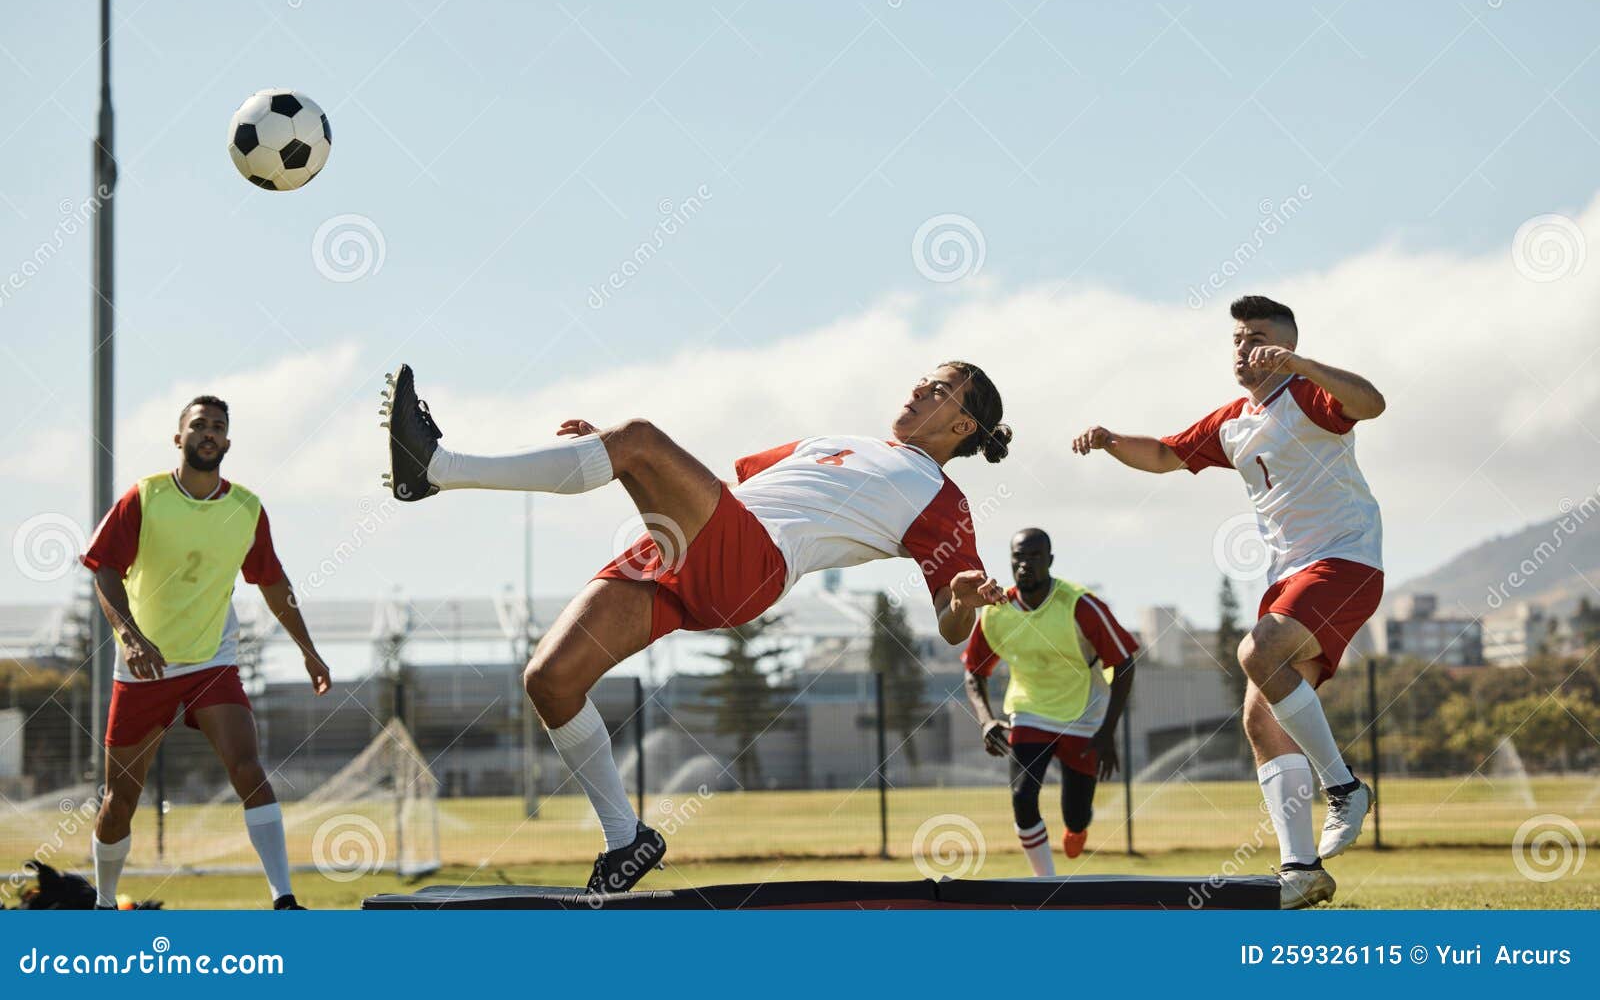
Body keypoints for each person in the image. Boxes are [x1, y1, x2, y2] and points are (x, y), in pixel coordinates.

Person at [383, 361, 1011, 892]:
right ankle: (625, 840)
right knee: (550, 681)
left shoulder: (941, 498)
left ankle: (435, 466)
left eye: (939, 390)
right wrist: (600, 456)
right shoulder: (832, 442)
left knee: (639, 437)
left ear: (962, 426)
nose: (919, 389)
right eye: (924, 379)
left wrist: (960, 599)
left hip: (749, 566)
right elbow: (725, 486)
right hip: (686, 547)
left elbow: (953, 627)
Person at [1072, 295, 1384, 908]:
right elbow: (1164, 456)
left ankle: (1345, 788)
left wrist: (1304, 363)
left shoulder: (1311, 395)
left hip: (1345, 562)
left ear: (1286, 344)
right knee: (1261, 717)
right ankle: (1302, 869)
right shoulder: (1232, 421)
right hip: (1290, 579)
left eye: (1259, 337)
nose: (1245, 347)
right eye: (1238, 339)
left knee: (1257, 650)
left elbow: (1372, 403)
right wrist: (1110, 440)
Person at [80, 395, 332, 910]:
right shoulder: (144, 497)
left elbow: (273, 581)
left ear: (228, 441)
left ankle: (284, 899)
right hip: (143, 666)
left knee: (247, 767)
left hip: (211, 661)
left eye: (218, 426)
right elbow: (104, 567)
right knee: (120, 799)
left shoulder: (245, 508)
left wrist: (309, 650)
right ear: (180, 438)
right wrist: (130, 637)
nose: (208, 433)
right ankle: (105, 905)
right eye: (198, 426)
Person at [963, 528, 1137, 875]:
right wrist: (986, 720)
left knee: (1077, 811)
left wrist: (1107, 732)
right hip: (1030, 713)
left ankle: (1076, 827)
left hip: (1085, 715)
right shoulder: (996, 612)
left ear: (1050, 560)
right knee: (1022, 797)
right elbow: (973, 672)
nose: (1025, 564)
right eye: (1018, 557)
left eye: (1034, 556)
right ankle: (1047, 886)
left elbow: (1124, 663)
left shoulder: (1080, 605)